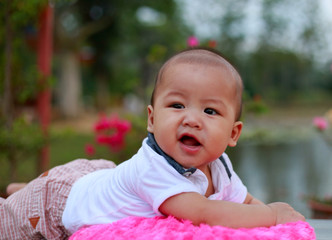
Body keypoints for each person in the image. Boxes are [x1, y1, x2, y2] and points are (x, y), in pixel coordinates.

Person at [1, 47, 305, 239]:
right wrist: (273, 215)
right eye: (177, 106)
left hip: (100, 176)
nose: (192, 120)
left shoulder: (219, 164)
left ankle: (22, 186)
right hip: (56, 204)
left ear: (233, 134)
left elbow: (245, 202)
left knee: (69, 179)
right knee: (9, 221)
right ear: (151, 119)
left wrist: (275, 222)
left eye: (210, 111)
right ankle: (22, 193)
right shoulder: (154, 168)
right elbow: (202, 213)